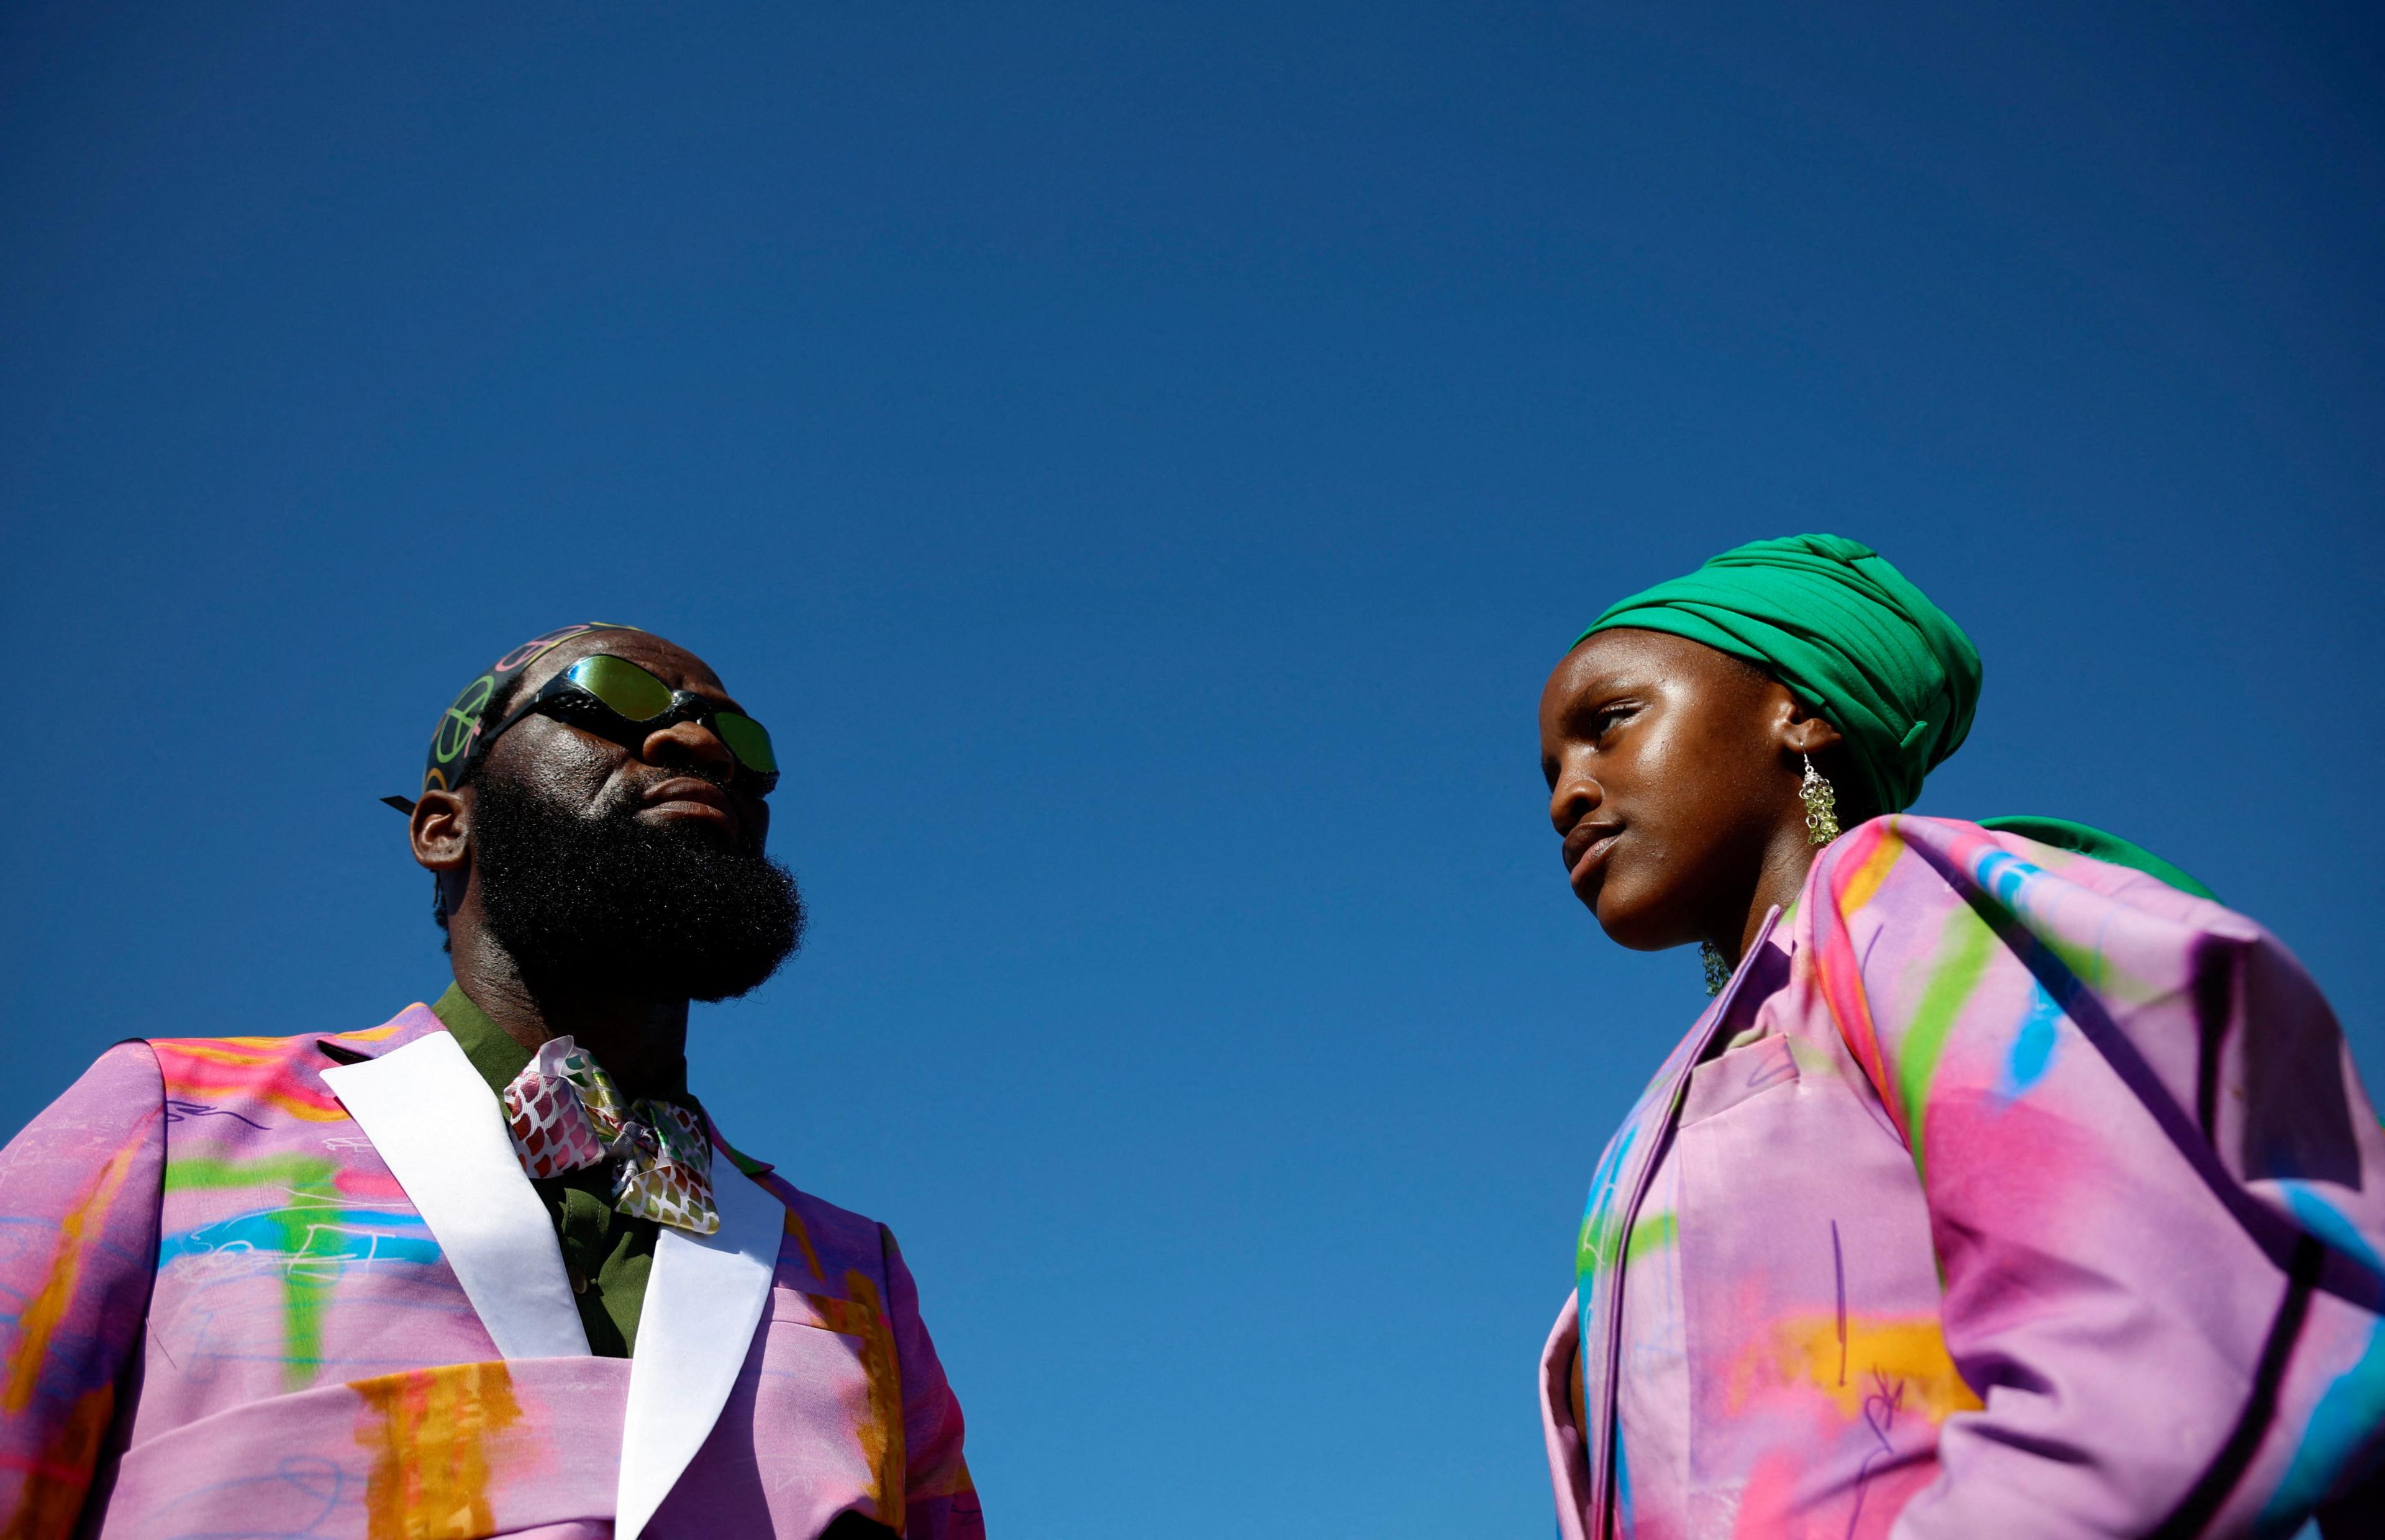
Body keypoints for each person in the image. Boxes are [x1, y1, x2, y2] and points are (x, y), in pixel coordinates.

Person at [0, 622, 981, 1540]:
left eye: (740, 739)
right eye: (610, 700)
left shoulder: (859, 1279)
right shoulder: (177, 1122)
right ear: (441, 827)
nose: (699, 744)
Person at [1533, 537, 2385, 1538]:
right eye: (1552, 770)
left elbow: (2163, 1331)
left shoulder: (1894, 901)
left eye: (1610, 725)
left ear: (1797, 711)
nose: (1567, 797)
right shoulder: (1651, 1132)